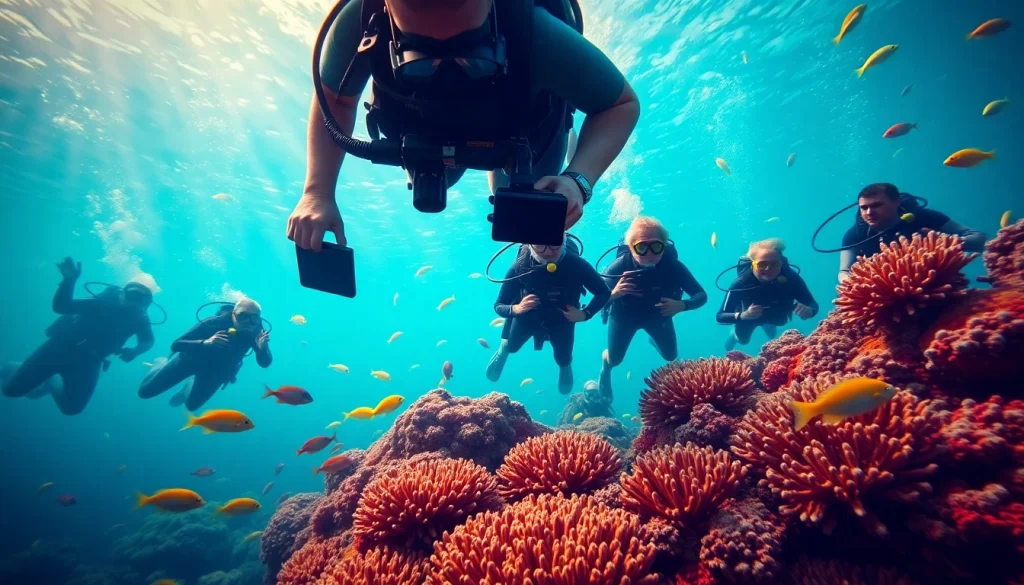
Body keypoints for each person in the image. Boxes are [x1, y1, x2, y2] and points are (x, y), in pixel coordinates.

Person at [288, 0, 641, 251]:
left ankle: (557, 147)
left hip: (522, 132)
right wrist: (316, 192)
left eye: (471, 54)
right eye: (420, 58)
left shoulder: (535, 32)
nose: (449, 76)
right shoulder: (360, 22)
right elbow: (334, 99)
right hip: (426, 132)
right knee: (440, 182)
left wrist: (577, 179)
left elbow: (620, 105)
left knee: (528, 216)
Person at [1, 257, 154, 415]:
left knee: (71, 408)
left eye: (142, 300)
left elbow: (148, 341)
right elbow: (62, 307)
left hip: (89, 362)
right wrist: (68, 281)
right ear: (122, 293)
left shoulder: (140, 319)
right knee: (12, 391)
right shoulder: (102, 302)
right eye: (132, 294)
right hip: (57, 349)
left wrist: (135, 351)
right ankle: (12, 367)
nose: (135, 302)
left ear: (147, 304)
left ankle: (50, 382)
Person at [596, 216, 707, 400]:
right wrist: (614, 294)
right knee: (615, 360)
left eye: (656, 246)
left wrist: (682, 305)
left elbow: (701, 295)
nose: (649, 254)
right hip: (624, 318)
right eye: (641, 247)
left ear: (664, 245)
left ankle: (652, 339)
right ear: (631, 247)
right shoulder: (618, 266)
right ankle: (605, 369)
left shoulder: (673, 266)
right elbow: (595, 302)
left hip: (658, 317)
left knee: (670, 356)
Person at [486, 233, 610, 394]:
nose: (548, 251)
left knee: (563, 358)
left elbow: (603, 292)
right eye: (539, 245)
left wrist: (585, 314)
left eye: (555, 244)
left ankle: (565, 366)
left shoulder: (576, 264)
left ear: (564, 242)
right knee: (512, 346)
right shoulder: (521, 266)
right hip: (527, 318)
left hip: (562, 320)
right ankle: (503, 351)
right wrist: (516, 309)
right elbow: (498, 305)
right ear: (530, 245)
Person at [138, 298, 271, 411]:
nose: (249, 322)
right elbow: (177, 344)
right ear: (233, 314)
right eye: (243, 317)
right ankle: (159, 364)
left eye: (254, 318)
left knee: (191, 407)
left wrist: (262, 349)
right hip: (188, 361)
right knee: (144, 393)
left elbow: (264, 363)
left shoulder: (257, 333)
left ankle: (187, 387)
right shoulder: (214, 323)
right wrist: (205, 342)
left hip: (218, 372)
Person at [839, 183, 986, 282]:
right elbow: (844, 271)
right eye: (864, 208)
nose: (869, 212)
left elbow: (979, 240)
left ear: (896, 202)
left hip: (938, 284)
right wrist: (856, 284)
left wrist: (943, 240)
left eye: (877, 205)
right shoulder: (856, 235)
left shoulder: (924, 217)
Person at [717, 239, 818, 351]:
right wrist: (742, 315)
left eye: (774, 264)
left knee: (772, 335)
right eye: (762, 264)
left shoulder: (790, 277)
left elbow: (812, 303)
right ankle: (733, 335)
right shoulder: (741, 282)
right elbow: (721, 316)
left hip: (775, 315)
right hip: (748, 316)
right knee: (743, 341)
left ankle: (765, 324)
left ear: (781, 263)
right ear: (752, 264)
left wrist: (810, 311)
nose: (768, 269)